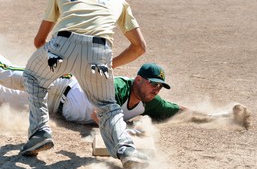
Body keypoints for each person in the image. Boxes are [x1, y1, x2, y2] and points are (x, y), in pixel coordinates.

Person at [21, 0, 148, 169]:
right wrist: (109, 64)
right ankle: (126, 150)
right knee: (107, 106)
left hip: (62, 43)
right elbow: (139, 47)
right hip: (99, 51)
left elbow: (39, 41)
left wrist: (53, 60)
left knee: (32, 77)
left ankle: (39, 133)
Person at [0, 55, 184, 125]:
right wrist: (124, 132)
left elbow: (178, 111)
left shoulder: (150, 102)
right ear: (138, 80)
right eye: (153, 83)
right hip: (61, 85)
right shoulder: (119, 88)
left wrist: (210, 117)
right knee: (6, 74)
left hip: (53, 105)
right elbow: (99, 114)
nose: (157, 89)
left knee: (3, 96)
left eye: (160, 86)